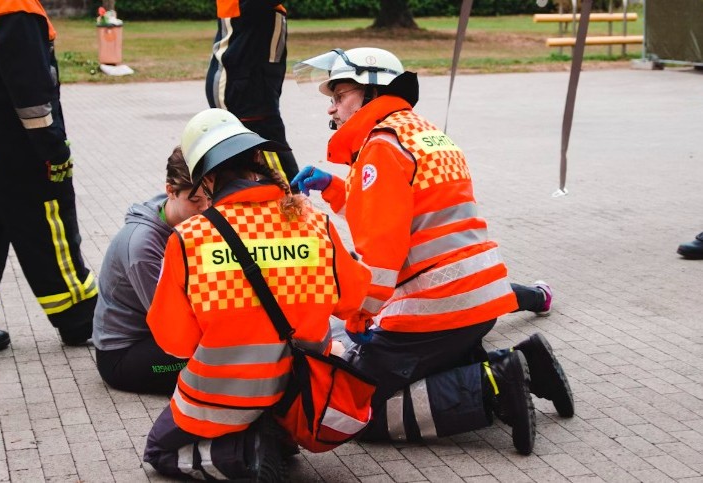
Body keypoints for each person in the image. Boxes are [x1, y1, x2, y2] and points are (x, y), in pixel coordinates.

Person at [291, 47, 574, 455]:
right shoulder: (419, 131)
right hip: (480, 301)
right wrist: (336, 189)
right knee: (417, 369)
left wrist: (359, 315)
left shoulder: (381, 148)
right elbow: (410, 212)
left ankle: (491, 390)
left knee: (352, 412)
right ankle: (527, 363)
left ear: (372, 91)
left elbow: (381, 260)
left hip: (436, 309)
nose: (333, 110)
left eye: (340, 96)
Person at [143, 108, 371, 480]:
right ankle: (275, 433)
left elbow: (175, 342)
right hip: (298, 392)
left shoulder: (191, 238)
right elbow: (351, 298)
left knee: (159, 451)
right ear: (257, 162)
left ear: (207, 179)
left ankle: (247, 452)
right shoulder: (314, 222)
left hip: (221, 396)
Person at [0, 0, 97, 363]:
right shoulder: (14, 6)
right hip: (10, 145)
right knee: (49, 229)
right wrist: (55, 149)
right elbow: (31, 94)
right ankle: (81, 318)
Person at [93, 147, 210, 394]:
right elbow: (171, 321)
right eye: (195, 200)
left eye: (209, 198)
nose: (204, 209)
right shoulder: (142, 247)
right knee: (223, 360)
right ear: (171, 191)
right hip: (124, 355)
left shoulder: (181, 219)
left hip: (157, 337)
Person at [205, 0, 298, 181]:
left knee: (241, 163)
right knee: (278, 169)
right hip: (246, 90)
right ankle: (294, 204)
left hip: (243, 83)